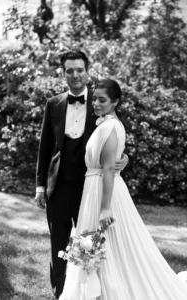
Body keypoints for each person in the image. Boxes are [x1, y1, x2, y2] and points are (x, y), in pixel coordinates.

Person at [59, 79, 187, 300]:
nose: (96, 104)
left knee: (107, 244)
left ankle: (107, 292)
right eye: (95, 99)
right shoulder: (105, 123)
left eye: (102, 100)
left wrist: (105, 207)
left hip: (103, 191)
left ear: (115, 102)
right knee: (93, 243)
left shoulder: (110, 127)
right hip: (94, 187)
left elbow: (108, 169)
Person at [35, 51, 128, 300]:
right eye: (69, 70)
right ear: (63, 73)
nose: (75, 75)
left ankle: (92, 292)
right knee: (59, 242)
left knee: (92, 242)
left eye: (79, 70)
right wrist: (40, 187)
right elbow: (45, 146)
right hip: (59, 185)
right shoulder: (53, 104)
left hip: (90, 187)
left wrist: (124, 158)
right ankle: (60, 293)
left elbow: (115, 136)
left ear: (87, 71)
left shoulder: (100, 102)